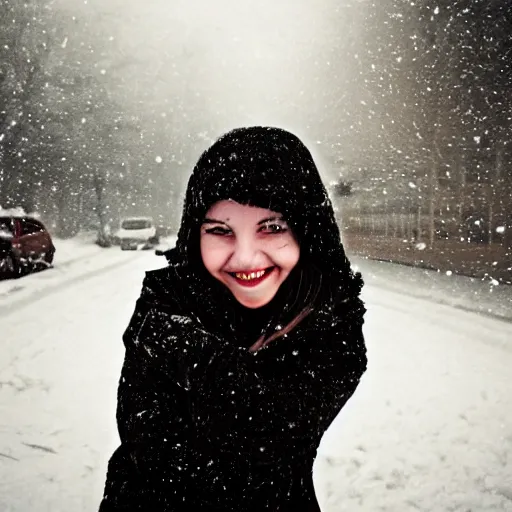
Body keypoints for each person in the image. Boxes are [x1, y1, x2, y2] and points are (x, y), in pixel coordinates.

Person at [99, 126, 367, 512]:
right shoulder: (168, 298)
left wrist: (188, 350)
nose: (244, 258)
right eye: (220, 231)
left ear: (306, 232)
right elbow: (152, 451)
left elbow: (262, 446)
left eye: (272, 227)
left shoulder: (328, 323)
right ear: (196, 235)